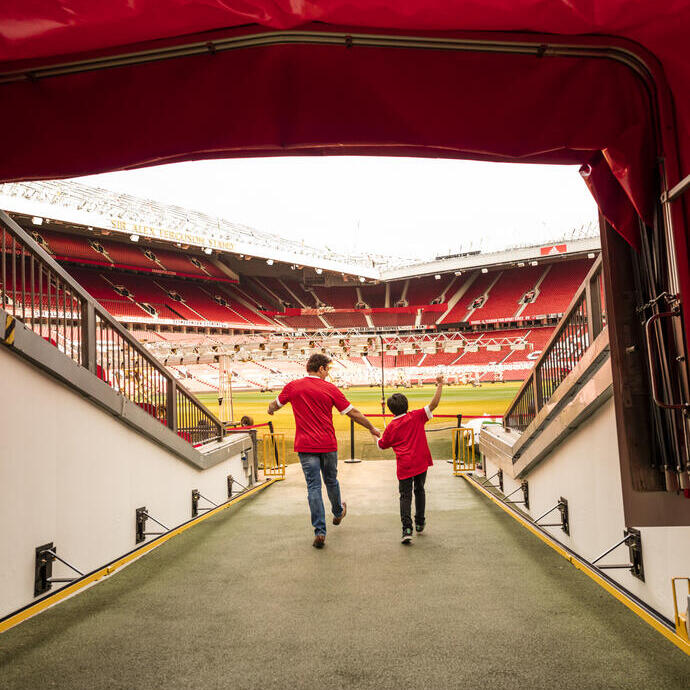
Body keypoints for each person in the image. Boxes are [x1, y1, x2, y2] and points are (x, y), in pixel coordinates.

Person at [267, 353, 381, 549]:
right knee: (331, 481)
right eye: (327, 369)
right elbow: (352, 413)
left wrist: (270, 410)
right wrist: (371, 427)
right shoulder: (330, 388)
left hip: (305, 445)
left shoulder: (293, 386)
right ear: (320, 369)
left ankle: (320, 531)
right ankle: (337, 512)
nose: (328, 373)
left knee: (313, 487)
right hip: (327, 444)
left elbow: (274, 405)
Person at [377, 375, 444, 543]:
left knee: (405, 496)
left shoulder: (391, 426)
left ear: (392, 409)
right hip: (421, 462)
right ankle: (420, 522)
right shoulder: (416, 416)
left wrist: (374, 434)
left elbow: (381, 445)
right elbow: (434, 404)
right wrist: (440, 385)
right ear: (406, 404)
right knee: (419, 490)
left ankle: (407, 529)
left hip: (405, 466)